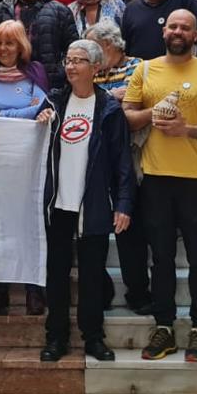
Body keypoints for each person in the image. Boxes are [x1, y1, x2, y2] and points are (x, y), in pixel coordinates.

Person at [124, 10, 197, 363]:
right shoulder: (145, 69)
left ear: (196, 34)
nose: (178, 31)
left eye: (185, 27)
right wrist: (153, 115)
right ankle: (164, 326)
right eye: (172, 26)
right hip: (154, 178)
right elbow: (127, 116)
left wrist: (188, 130)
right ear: (164, 31)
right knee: (162, 257)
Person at [42, 39, 135, 363]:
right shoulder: (53, 103)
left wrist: (123, 204)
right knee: (56, 275)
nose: (71, 66)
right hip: (58, 206)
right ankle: (56, 337)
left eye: (79, 60)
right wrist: (38, 121)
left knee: (93, 275)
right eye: (68, 59)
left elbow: (123, 161)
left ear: (95, 68)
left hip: (93, 204)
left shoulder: (109, 110)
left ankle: (93, 337)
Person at [0, 18, 56, 316]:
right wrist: (21, 114)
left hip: (30, 163)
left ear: (20, 45)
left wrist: (4, 114)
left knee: (30, 224)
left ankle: (35, 291)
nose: (4, 48)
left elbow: (42, 106)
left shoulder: (35, 72)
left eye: (10, 42)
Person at [84, 20, 152, 314]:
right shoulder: (93, 70)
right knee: (93, 230)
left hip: (131, 155)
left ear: (107, 45)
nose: (89, 54)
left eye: (92, 47)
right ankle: (103, 290)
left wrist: (111, 99)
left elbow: (142, 99)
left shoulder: (140, 67)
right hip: (96, 157)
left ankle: (138, 292)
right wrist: (117, 97)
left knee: (130, 227)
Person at [0, 20, 52, 118]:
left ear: (20, 47)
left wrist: (0, 114)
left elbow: (39, 109)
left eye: (9, 43)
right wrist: (24, 111)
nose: (2, 48)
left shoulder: (35, 71)